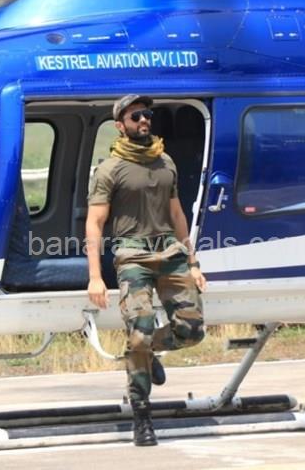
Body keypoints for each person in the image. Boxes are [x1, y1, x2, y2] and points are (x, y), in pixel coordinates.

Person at [86, 95, 206, 446]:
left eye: (147, 114)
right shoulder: (109, 170)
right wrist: (95, 276)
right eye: (135, 115)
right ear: (120, 125)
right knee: (137, 336)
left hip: (169, 251)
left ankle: (148, 351)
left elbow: (177, 214)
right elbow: (95, 223)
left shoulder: (165, 161)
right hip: (133, 256)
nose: (144, 120)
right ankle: (142, 416)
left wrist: (193, 262)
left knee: (192, 331)